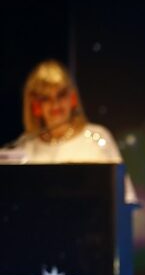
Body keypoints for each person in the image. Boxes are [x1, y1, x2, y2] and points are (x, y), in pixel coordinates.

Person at [11, 59, 136, 202]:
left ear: (73, 98)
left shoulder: (96, 138)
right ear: (35, 106)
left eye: (61, 95)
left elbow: (126, 197)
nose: (55, 105)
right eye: (46, 98)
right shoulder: (25, 146)